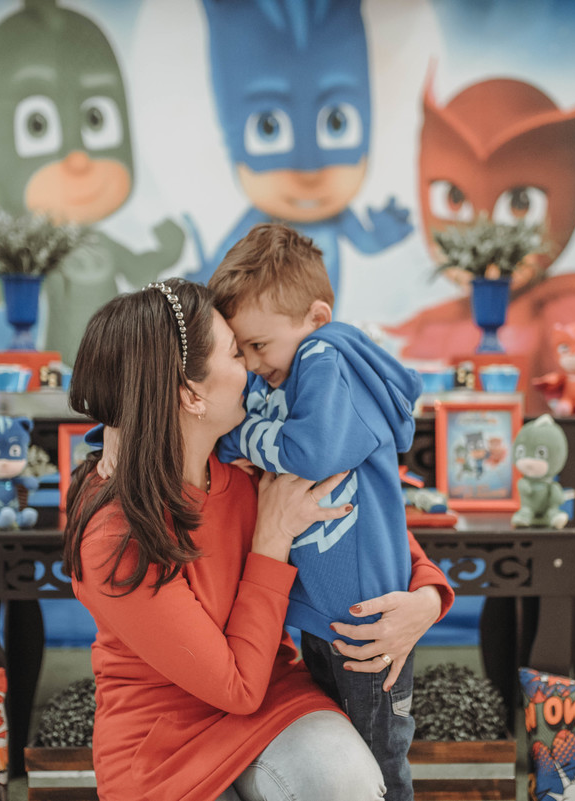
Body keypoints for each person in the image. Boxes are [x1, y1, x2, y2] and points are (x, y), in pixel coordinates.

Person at [63, 279, 454, 801]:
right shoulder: (114, 532)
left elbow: (364, 524)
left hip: (277, 701)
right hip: (164, 747)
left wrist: (427, 599)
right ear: (190, 394)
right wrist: (272, 538)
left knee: (346, 781)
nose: (252, 367)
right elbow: (236, 688)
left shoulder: (250, 461)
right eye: (235, 353)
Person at [209, 223, 429, 801]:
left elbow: (314, 452)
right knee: (356, 752)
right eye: (241, 350)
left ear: (316, 316)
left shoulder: (325, 355)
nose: (251, 363)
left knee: (381, 763)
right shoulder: (292, 370)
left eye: (258, 345)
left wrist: (238, 438)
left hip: (366, 625)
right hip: (328, 615)